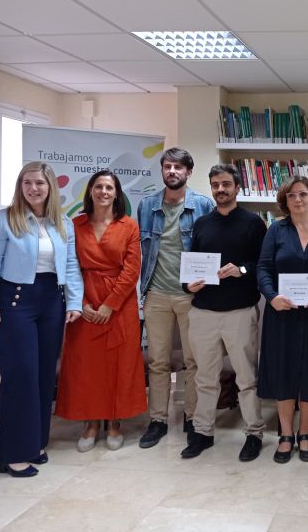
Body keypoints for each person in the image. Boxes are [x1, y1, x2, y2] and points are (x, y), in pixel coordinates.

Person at [0, 161, 83, 477]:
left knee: (41, 376)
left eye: (39, 183)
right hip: (14, 302)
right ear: (20, 186)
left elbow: (71, 267)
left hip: (52, 301)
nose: (33, 188)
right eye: (27, 183)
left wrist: (74, 302)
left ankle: (34, 444)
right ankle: (12, 454)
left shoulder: (62, 223)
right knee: (20, 376)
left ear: (50, 187)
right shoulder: (4, 220)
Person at [181, 164, 267, 461]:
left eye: (226, 184)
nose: (220, 189)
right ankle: (203, 433)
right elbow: (190, 265)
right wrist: (187, 285)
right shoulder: (202, 224)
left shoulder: (253, 224)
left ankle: (254, 432)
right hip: (203, 312)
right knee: (205, 377)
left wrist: (241, 269)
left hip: (240, 312)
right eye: (215, 184)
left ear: (237, 187)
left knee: (246, 378)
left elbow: (263, 267)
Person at [55, 170, 146, 452]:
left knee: (119, 364)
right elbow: (69, 265)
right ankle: (91, 422)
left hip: (120, 305)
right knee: (86, 367)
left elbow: (132, 270)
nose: (103, 192)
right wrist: (81, 304)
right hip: (84, 301)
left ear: (117, 193)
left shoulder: (129, 225)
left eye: (109, 187)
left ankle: (114, 421)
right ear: (90, 191)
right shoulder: (75, 224)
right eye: (98, 186)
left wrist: (110, 305)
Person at [256, 175, 308, 464]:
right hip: (282, 313)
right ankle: (285, 435)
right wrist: (271, 296)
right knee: (284, 370)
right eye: (292, 195)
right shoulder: (276, 231)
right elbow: (264, 268)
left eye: (303, 194)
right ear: (285, 200)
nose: (298, 200)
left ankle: (305, 433)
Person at [137, 147, 214, 449]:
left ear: (188, 172)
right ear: (162, 171)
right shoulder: (146, 206)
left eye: (178, 167)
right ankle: (157, 419)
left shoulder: (203, 205)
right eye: (167, 166)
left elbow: (210, 248)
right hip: (155, 293)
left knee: (194, 361)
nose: (172, 172)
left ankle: (193, 418)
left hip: (190, 297)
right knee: (158, 361)